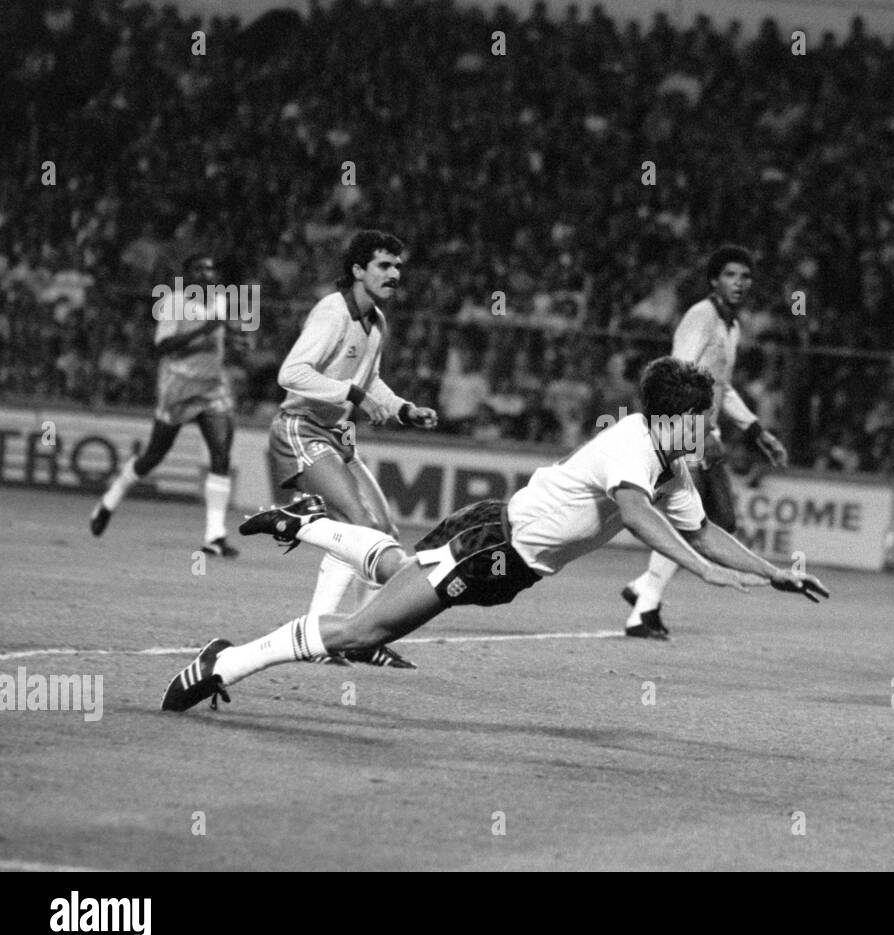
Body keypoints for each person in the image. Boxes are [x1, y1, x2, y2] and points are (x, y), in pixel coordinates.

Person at [162, 358, 829, 712]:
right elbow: (634, 512)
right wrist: (705, 573)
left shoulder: (671, 466)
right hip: (490, 549)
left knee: (396, 566)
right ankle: (222, 662)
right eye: (702, 420)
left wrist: (773, 571)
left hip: (499, 555)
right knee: (362, 633)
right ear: (672, 417)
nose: (709, 431)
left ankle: (310, 524)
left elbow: (704, 528)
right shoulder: (632, 445)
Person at [266, 230, 438, 668]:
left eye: (398, 266)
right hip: (300, 428)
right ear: (358, 270)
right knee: (358, 525)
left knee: (382, 530)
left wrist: (402, 409)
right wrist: (355, 397)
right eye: (384, 265)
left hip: (337, 436)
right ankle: (328, 635)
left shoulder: (376, 320)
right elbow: (291, 373)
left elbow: (369, 380)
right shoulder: (331, 312)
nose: (395, 273)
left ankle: (350, 635)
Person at [621, 246, 789, 640]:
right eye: (731, 275)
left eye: (746, 277)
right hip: (683, 428)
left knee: (722, 522)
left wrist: (755, 431)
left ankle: (643, 586)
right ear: (714, 279)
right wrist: (701, 432)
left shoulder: (731, 326)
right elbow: (677, 373)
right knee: (691, 520)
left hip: (699, 430)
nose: (740, 283)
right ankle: (643, 611)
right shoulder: (701, 317)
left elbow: (722, 386)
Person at [91, 254, 239, 556]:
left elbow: (221, 339)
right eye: (199, 269)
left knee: (221, 455)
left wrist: (235, 339)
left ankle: (215, 535)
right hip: (179, 387)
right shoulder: (174, 302)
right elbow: (162, 346)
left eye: (211, 268)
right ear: (187, 275)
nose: (207, 273)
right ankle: (110, 499)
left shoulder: (222, 300)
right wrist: (202, 331)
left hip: (212, 387)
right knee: (153, 457)